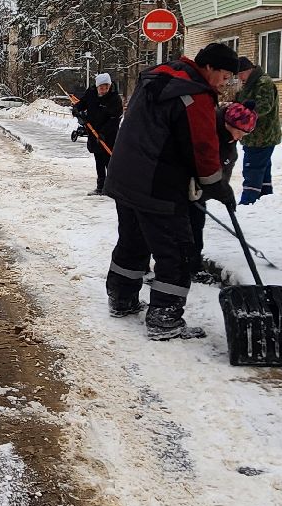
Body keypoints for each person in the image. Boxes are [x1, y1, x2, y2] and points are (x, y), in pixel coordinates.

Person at [101, 41, 242, 341]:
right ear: (209, 67)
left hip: (125, 175)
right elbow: (201, 145)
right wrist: (216, 184)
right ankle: (164, 319)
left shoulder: (158, 76)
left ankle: (122, 299)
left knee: (133, 241)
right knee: (177, 251)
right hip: (157, 183)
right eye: (224, 75)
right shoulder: (194, 93)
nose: (225, 82)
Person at [189, 101, 258, 282]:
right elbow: (206, 164)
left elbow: (223, 168)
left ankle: (192, 265)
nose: (241, 137)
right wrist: (221, 190)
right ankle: (184, 267)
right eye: (240, 132)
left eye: (245, 134)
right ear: (229, 124)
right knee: (185, 229)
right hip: (186, 187)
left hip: (199, 191)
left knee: (196, 225)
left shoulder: (228, 137)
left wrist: (223, 190)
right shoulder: (211, 133)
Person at [69, 72, 123, 196]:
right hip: (94, 131)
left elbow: (115, 119)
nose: (104, 90)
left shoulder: (114, 99)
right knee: (98, 159)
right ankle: (100, 187)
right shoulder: (91, 93)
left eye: (106, 87)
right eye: (101, 88)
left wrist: (103, 133)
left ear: (109, 86)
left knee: (109, 161)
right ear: (97, 86)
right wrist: (76, 109)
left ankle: (113, 187)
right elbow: (83, 103)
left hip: (109, 134)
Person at [235, 56, 280, 204]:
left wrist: (243, 112)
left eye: (241, 74)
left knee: (252, 169)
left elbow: (264, 106)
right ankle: (266, 199)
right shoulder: (249, 83)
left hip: (262, 137)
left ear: (249, 70)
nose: (239, 78)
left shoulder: (263, 83)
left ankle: (248, 202)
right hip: (254, 136)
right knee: (263, 170)